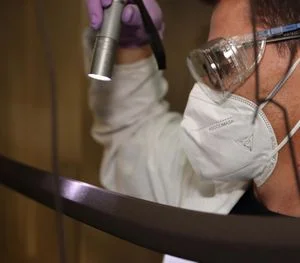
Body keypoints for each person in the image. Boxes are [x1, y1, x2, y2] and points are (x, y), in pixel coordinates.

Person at [84, 0, 300, 262]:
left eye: (225, 60)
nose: (204, 88)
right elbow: (132, 134)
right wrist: (130, 50)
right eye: (207, 66)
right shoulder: (209, 189)